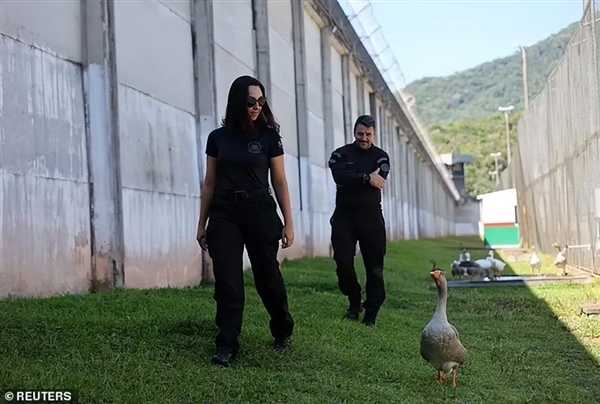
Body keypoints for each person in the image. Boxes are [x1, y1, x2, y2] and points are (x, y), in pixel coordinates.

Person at [196, 75, 295, 367]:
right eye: (251, 102)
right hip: (225, 213)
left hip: (260, 212)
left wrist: (289, 222)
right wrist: (201, 224)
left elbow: (279, 181)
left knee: (268, 278)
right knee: (227, 281)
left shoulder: (268, 137)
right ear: (238, 101)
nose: (256, 107)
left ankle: (282, 330)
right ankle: (226, 344)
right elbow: (209, 183)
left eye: (261, 102)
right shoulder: (217, 138)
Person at [328, 115, 390, 327]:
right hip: (344, 217)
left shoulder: (381, 157)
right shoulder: (340, 154)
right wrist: (366, 177)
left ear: (374, 134)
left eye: (368, 134)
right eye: (360, 133)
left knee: (375, 269)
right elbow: (339, 176)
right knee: (343, 263)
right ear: (354, 132)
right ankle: (354, 301)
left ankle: (370, 313)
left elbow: (379, 180)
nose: (364, 138)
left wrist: (353, 175)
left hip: (371, 218)